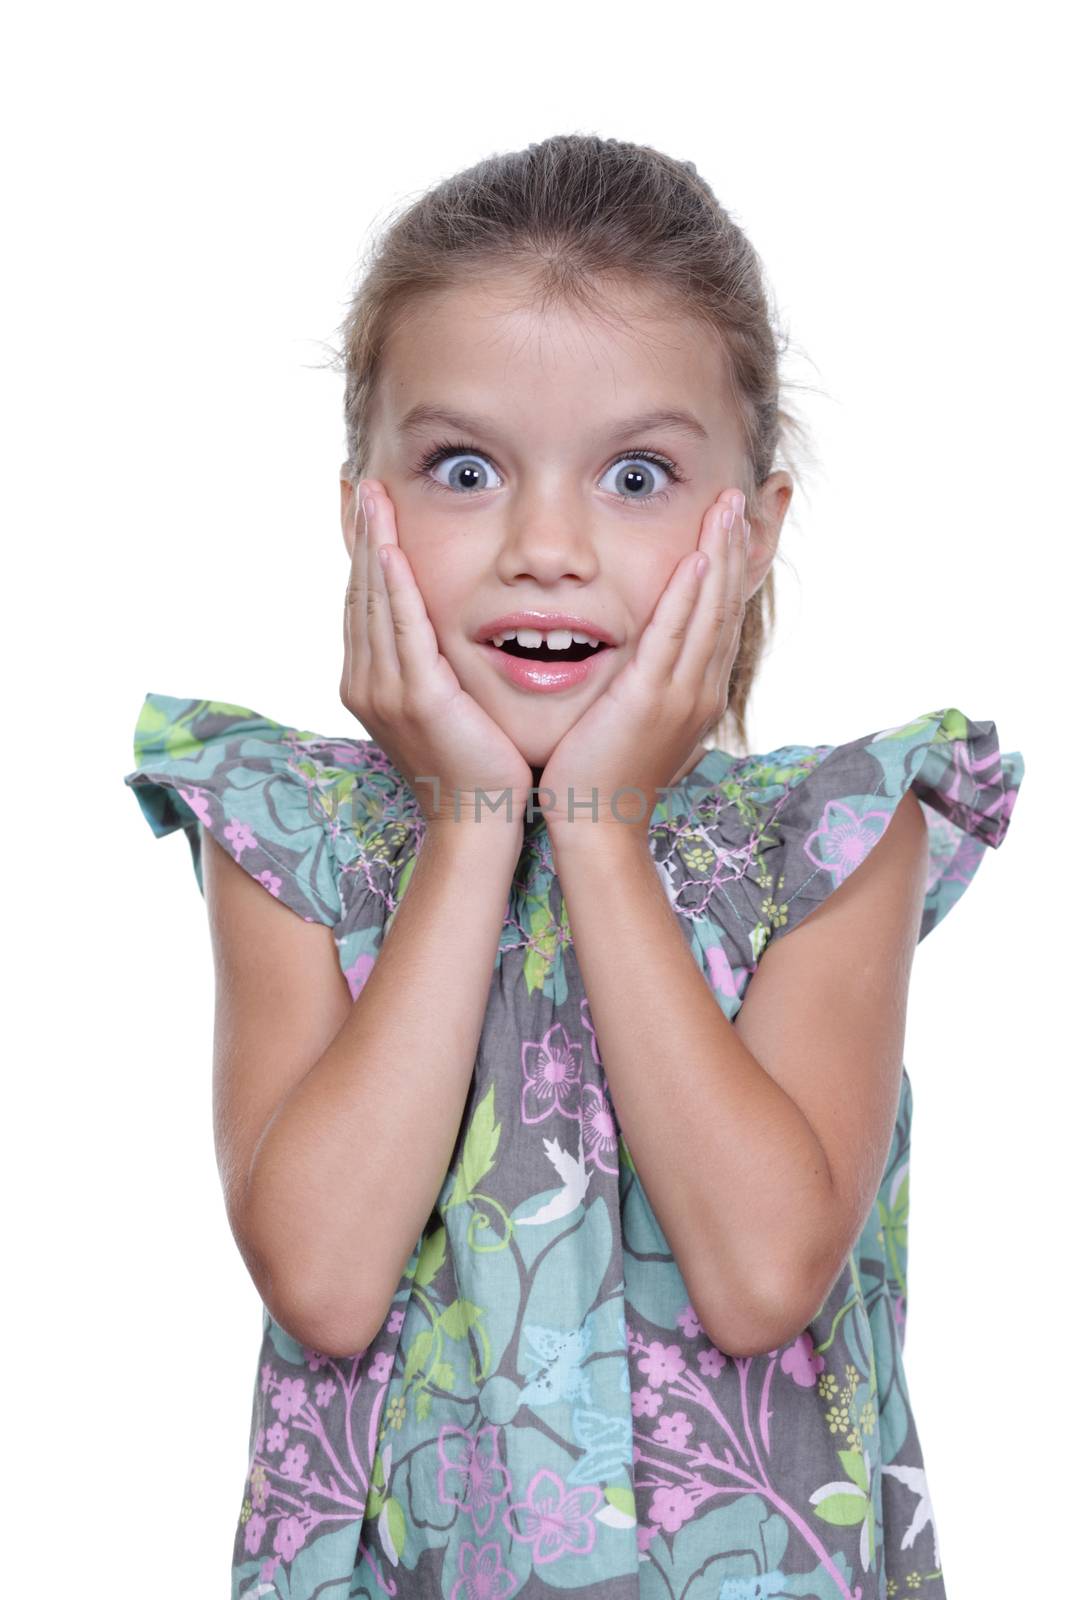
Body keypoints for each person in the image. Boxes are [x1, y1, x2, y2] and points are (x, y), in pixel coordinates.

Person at [123, 134, 1025, 1600]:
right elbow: (325, 1280)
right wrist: (472, 821)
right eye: (464, 468)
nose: (548, 545)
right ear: (362, 509)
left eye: (639, 474)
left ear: (755, 535)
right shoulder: (284, 833)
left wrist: (598, 826)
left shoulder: (842, 835)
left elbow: (760, 1275)